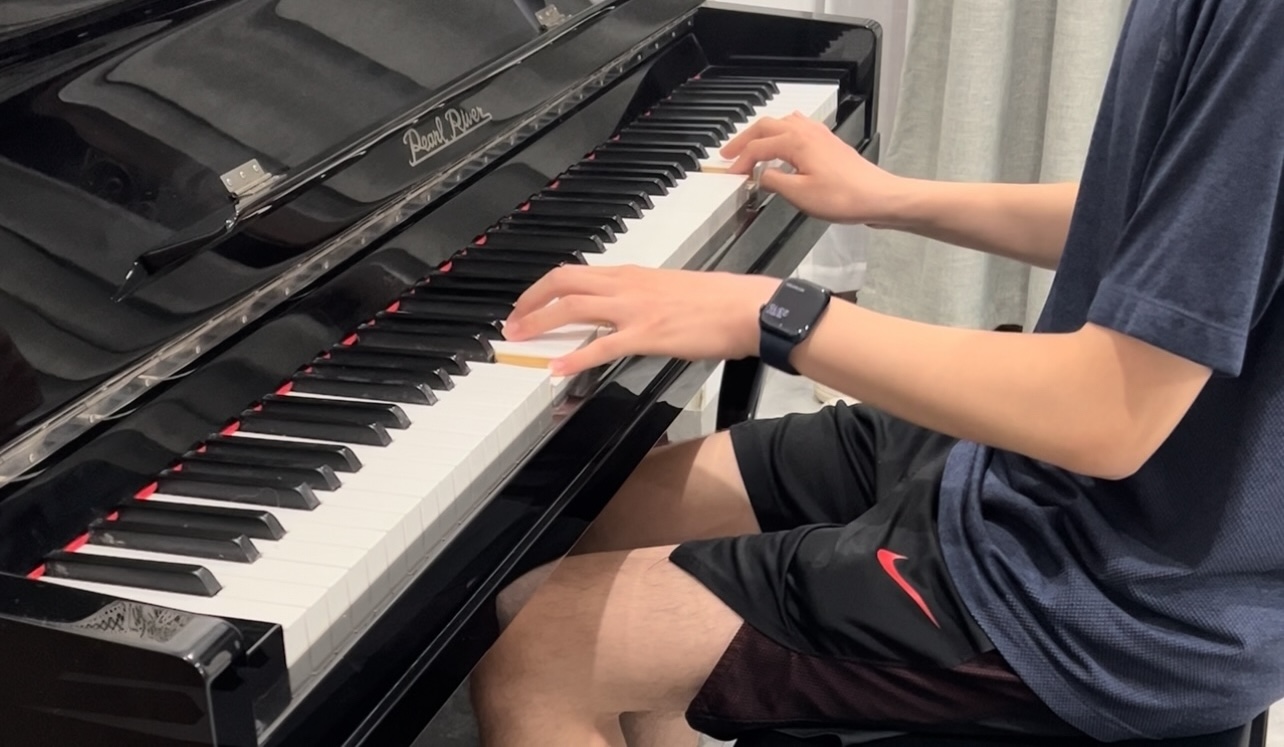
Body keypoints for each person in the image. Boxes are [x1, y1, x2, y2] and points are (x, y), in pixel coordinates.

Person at [469, 1, 1284, 745]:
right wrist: (892, 197)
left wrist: (774, 313)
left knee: (537, 643)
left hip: (1114, 596)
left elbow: (1110, 415)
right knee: (617, 507)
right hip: (1022, 476)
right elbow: (1167, 220)